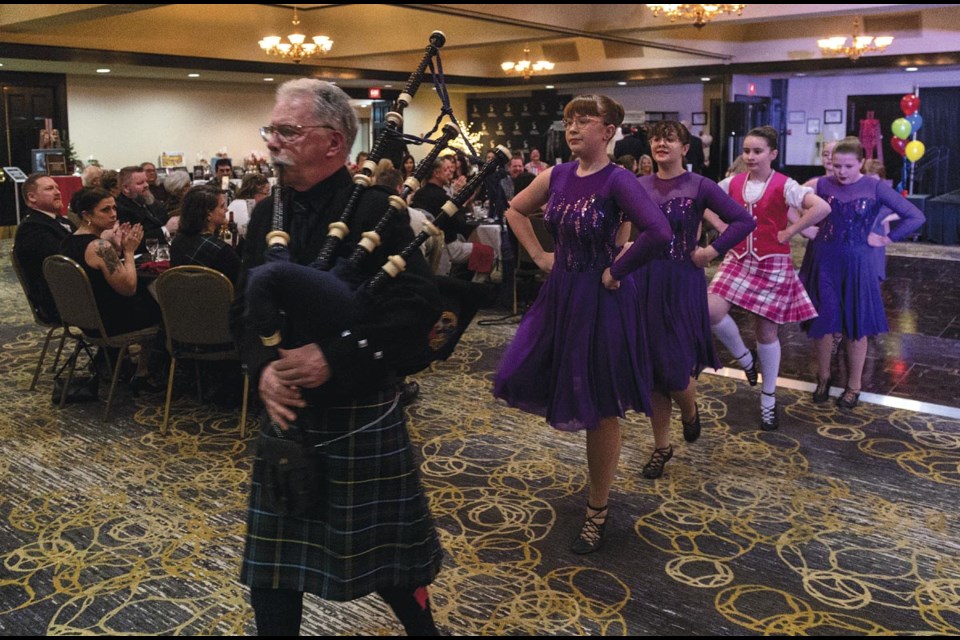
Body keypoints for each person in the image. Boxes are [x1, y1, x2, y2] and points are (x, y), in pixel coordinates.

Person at [235, 78, 444, 636]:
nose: (273, 142)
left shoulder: (378, 210)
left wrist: (335, 356)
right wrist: (262, 370)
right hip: (287, 419)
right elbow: (243, 311)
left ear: (333, 142)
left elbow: (419, 309)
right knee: (272, 572)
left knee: (394, 563)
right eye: (271, 130)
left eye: (287, 130)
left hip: (358, 412)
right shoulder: (264, 215)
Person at [493, 94, 672, 554]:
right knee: (538, 375)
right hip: (562, 294)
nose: (573, 128)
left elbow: (659, 232)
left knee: (601, 402)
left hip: (603, 297)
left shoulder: (619, 180)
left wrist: (617, 269)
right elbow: (514, 210)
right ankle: (596, 501)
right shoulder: (556, 174)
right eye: (570, 121)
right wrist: (538, 255)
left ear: (609, 130)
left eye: (585, 121)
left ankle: (597, 508)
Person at [632, 121, 755, 479]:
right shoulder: (637, 185)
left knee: (674, 366)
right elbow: (620, 226)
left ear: (686, 148)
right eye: (656, 139)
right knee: (653, 370)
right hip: (644, 281)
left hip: (683, 281)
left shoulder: (699, 185)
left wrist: (712, 251)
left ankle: (690, 411)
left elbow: (742, 221)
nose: (661, 144)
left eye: (670, 139)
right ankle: (661, 447)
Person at [705, 126, 831, 431]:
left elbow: (822, 207)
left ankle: (768, 399)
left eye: (757, 151)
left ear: (772, 154)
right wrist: (723, 228)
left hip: (772, 263)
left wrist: (791, 230)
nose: (750, 156)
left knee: (766, 334)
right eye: (746, 150)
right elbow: (703, 201)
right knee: (709, 310)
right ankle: (745, 360)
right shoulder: (732, 182)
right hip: (737, 259)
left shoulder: (785, 185)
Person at [799, 137, 924, 409]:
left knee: (856, 327)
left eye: (848, 166)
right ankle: (823, 378)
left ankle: (853, 386)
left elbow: (915, 216)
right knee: (823, 325)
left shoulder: (874, 186)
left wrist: (885, 239)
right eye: (836, 165)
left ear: (862, 163)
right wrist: (805, 228)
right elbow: (787, 202)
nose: (841, 172)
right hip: (824, 261)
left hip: (858, 264)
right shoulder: (819, 184)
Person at [60, 187, 160, 387]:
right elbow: (129, 287)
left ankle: (119, 364)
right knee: (163, 309)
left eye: (114, 208)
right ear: (86, 215)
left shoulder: (68, 242)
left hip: (86, 319)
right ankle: (144, 372)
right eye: (105, 210)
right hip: (110, 322)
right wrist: (128, 251)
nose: (114, 214)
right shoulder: (99, 247)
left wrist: (116, 247)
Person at [14, 174, 76, 323]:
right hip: (59, 300)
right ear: (32, 197)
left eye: (57, 187)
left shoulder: (59, 220)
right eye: (49, 188)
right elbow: (62, 259)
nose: (57, 192)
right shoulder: (31, 228)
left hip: (72, 289)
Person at [170, 186, 240, 284]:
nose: (226, 209)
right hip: (217, 299)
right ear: (208, 214)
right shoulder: (223, 251)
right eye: (222, 206)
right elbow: (240, 283)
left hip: (181, 298)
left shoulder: (176, 242)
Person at [227, 172, 271, 240]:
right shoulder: (251, 208)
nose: (268, 198)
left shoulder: (234, 203)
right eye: (267, 193)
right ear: (256, 192)